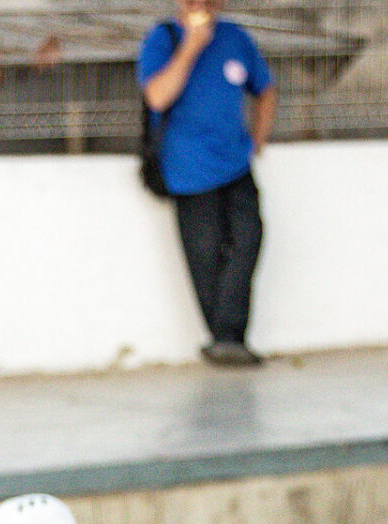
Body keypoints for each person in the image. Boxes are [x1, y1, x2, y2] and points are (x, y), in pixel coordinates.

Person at [139, 0, 277, 367]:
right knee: (205, 255)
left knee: (249, 238)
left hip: (235, 162)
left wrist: (257, 141)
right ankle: (226, 339)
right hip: (188, 168)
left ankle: (227, 335)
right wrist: (191, 46)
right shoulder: (162, 38)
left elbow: (265, 90)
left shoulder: (235, 38)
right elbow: (156, 96)